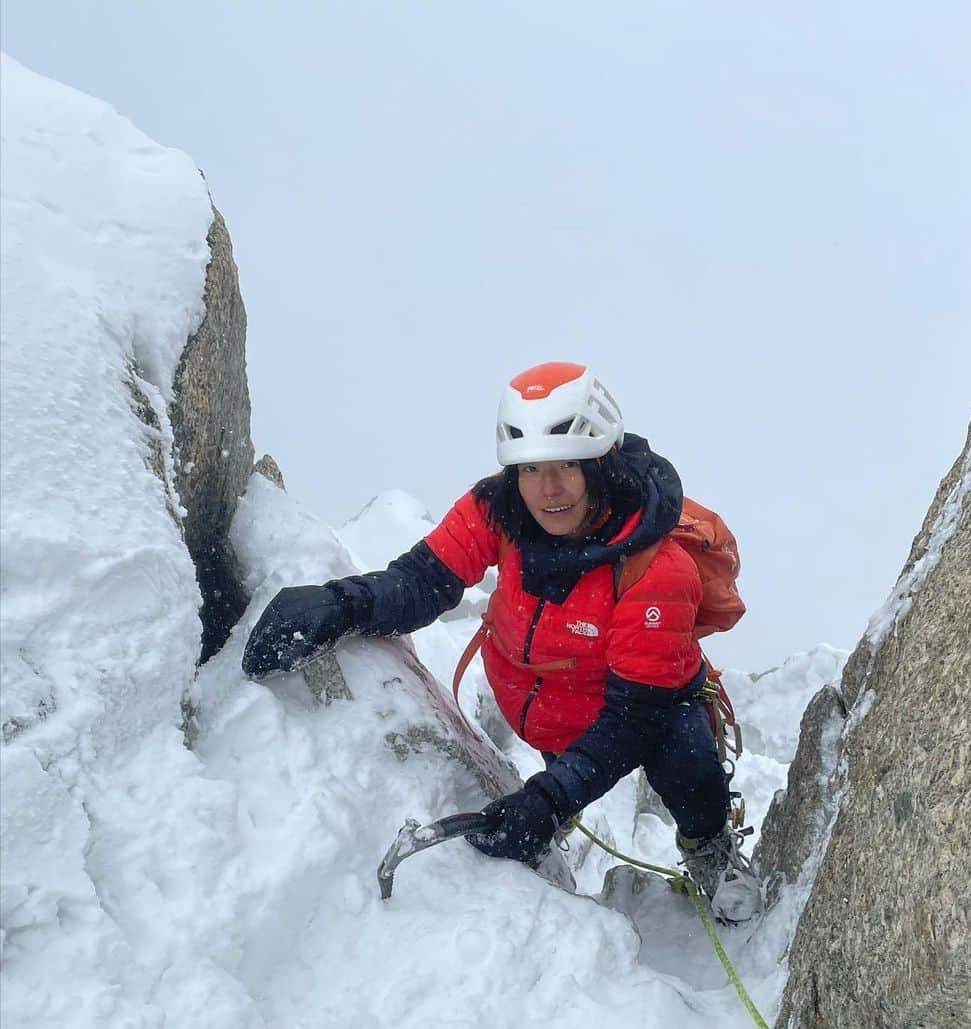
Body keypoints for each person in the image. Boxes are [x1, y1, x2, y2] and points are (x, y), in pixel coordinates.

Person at [243, 361, 745, 912]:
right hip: (546, 706)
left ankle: (711, 849)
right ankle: (561, 796)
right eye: (529, 470)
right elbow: (425, 581)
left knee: (686, 761)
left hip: (640, 708)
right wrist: (340, 604)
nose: (547, 491)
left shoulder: (657, 569)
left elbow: (633, 720)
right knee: (567, 772)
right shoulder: (499, 508)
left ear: (601, 463)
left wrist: (549, 802)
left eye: (566, 467)